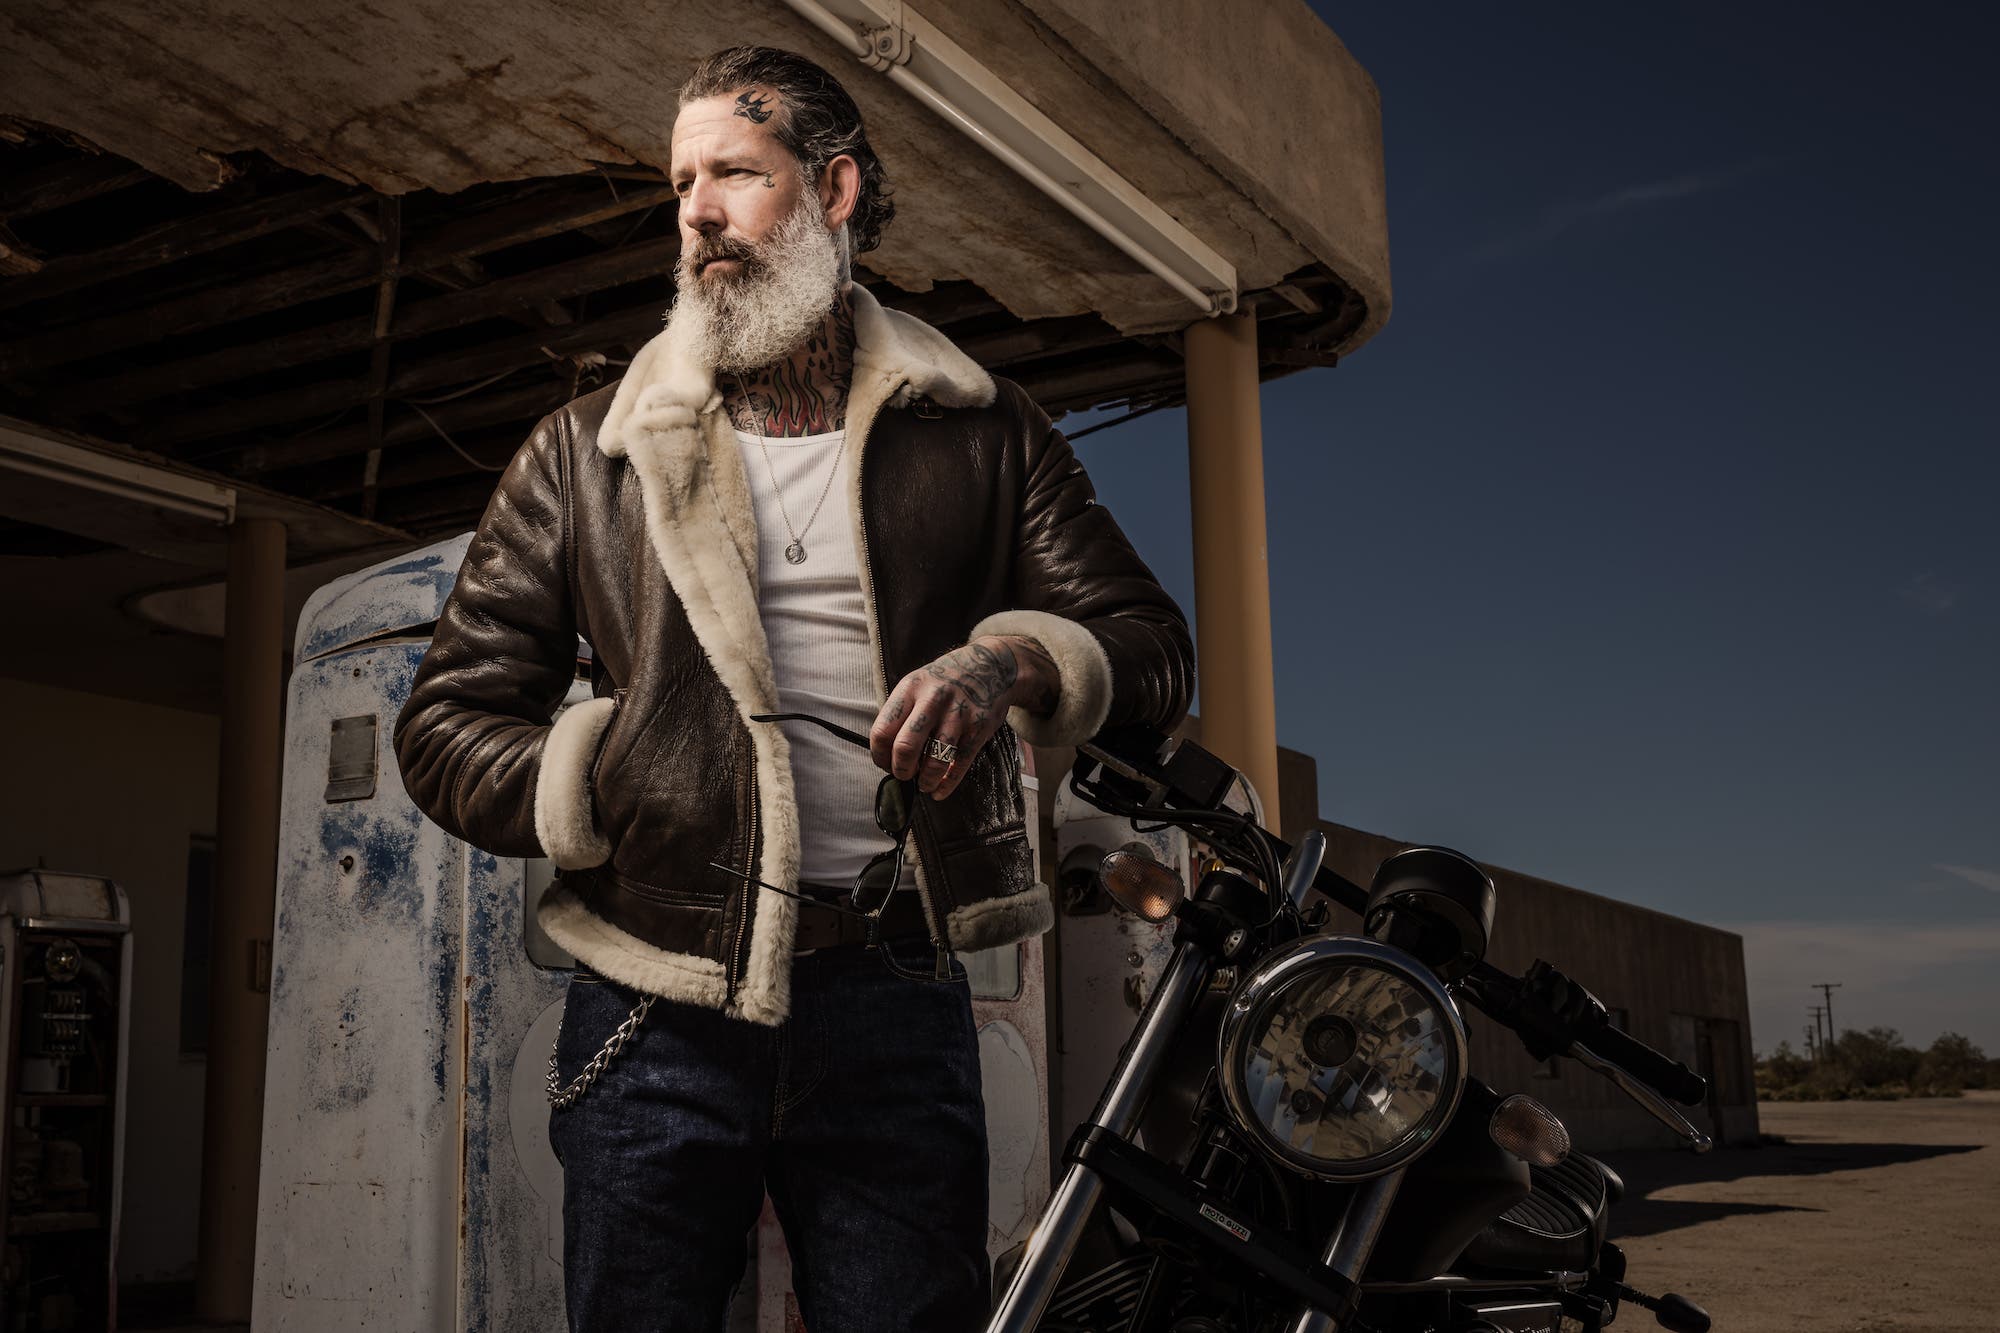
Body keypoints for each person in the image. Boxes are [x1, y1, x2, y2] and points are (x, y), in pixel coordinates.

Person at [393, 44, 1193, 1333]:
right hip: (652, 1006)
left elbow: (1150, 646)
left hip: (893, 995)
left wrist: (1008, 663)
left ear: (831, 190)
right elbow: (441, 727)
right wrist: (597, 779)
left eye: (734, 174)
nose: (696, 212)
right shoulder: (583, 452)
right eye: (679, 184)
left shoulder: (985, 434)